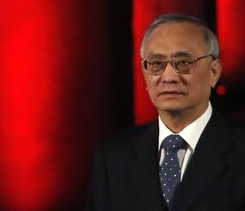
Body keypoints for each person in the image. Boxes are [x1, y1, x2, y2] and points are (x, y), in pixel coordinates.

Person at [86, 14, 245, 210]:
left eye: (184, 63)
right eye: (156, 64)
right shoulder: (113, 157)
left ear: (214, 72)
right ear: (144, 73)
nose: (168, 77)